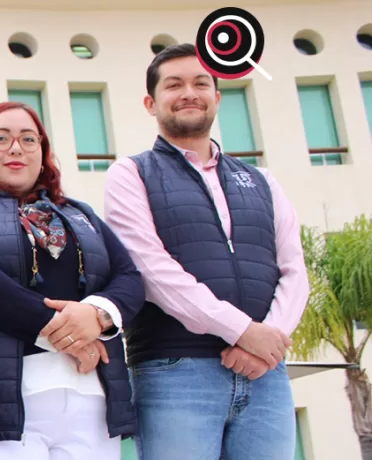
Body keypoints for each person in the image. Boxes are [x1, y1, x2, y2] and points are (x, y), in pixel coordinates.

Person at [102, 43, 310, 460]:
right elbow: (153, 270)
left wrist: (265, 344)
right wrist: (242, 331)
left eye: (201, 83)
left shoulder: (262, 180)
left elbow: (294, 270)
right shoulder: (130, 173)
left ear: (217, 96)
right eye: (174, 85)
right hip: (176, 371)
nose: (189, 93)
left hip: (266, 373)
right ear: (151, 102)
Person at [0, 101, 145, 460]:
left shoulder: (80, 213)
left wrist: (98, 314)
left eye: (28, 139)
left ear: (43, 153)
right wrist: (60, 331)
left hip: (90, 398)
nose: (16, 147)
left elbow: (129, 278)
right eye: (0, 138)